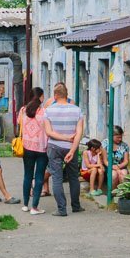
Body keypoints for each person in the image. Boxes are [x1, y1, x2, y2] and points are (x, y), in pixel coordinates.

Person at [43, 82, 84, 217]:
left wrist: (63, 138)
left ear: (55, 96)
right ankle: (76, 206)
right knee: (73, 177)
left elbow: (49, 132)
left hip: (54, 147)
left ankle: (61, 209)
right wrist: (72, 150)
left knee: (57, 178)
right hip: (71, 147)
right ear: (67, 95)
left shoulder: (48, 111)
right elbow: (79, 133)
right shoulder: (77, 110)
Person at [17, 88, 48, 215]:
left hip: (27, 147)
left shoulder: (23, 110)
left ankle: (25, 205)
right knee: (39, 177)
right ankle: (35, 207)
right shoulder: (44, 112)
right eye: (43, 96)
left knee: (27, 175)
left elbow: (19, 124)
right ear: (40, 97)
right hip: (42, 148)